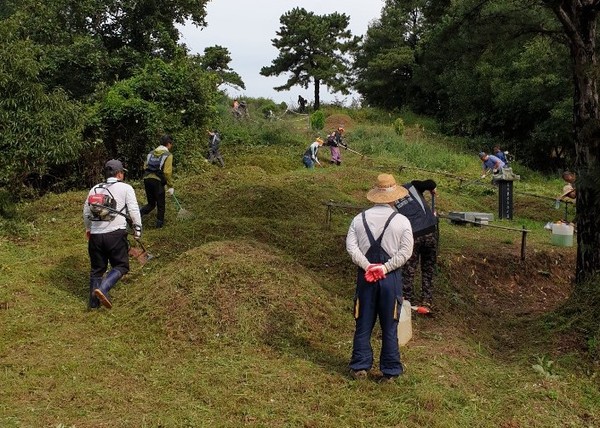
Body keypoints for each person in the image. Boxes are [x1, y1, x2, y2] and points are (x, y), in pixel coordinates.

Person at [346, 173, 414, 382]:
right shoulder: (402, 221)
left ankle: (360, 367)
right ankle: (390, 371)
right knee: (389, 325)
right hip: (390, 279)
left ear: (375, 194)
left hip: (365, 277)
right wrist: (384, 269)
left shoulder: (359, 219)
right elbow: (406, 252)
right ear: (394, 196)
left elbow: (351, 247)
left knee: (363, 323)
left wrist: (368, 266)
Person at [83, 159, 142, 309]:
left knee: (97, 270)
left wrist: (89, 229)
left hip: (96, 236)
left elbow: (86, 212)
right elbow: (134, 210)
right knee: (121, 265)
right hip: (115, 235)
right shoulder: (126, 188)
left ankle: (94, 304)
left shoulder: (94, 189)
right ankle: (103, 289)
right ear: (119, 174)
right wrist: (137, 229)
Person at [394, 179, 438, 311]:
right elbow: (431, 183)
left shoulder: (390, 202)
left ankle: (406, 300)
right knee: (428, 268)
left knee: (409, 269)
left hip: (413, 236)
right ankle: (427, 301)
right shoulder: (412, 186)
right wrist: (432, 189)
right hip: (430, 232)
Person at [140, 134, 174, 228]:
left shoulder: (151, 153)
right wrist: (170, 186)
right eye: (171, 144)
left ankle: (136, 217)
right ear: (168, 144)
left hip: (147, 180)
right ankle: (159, 227)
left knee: (151, 204)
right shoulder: (168, 155)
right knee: (161, 205)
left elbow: (145, 166)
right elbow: (167, 173)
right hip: (157, 182)